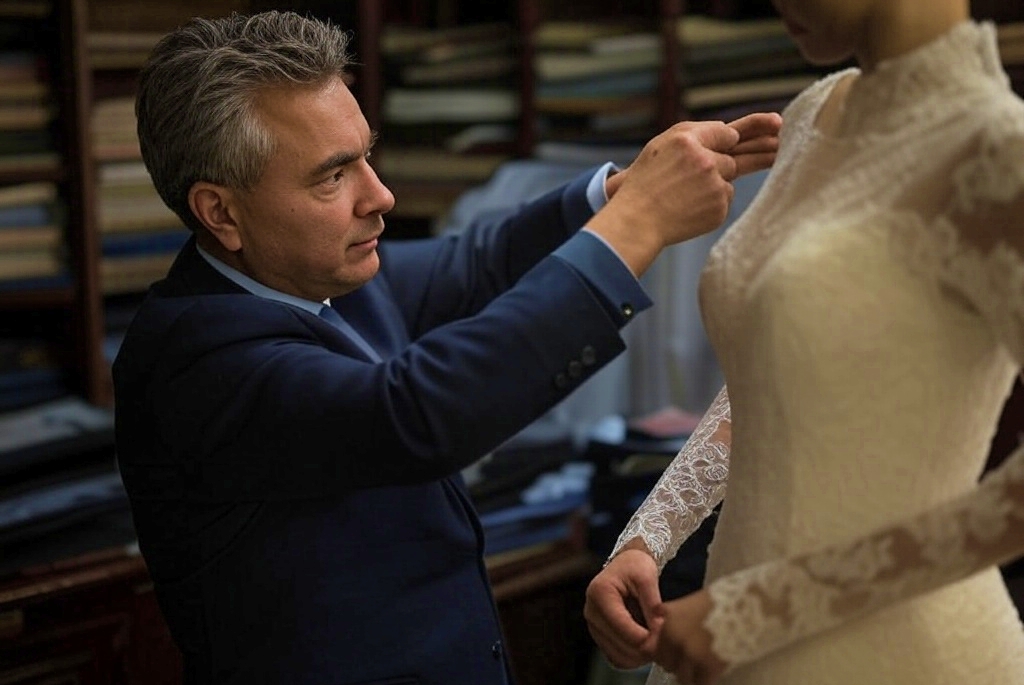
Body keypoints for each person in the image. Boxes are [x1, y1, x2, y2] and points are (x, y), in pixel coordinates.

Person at [110, 10, 781, 685]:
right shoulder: (192, 361)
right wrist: (638, 224)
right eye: (332, 176)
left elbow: (477, 263)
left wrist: (618, 191)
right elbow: (417, 412)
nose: (381, 196)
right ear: (220, 212)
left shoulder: (321, 272)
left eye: (366, 155)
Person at [584, 0, 1024, 683]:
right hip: (732, 632)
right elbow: (778, 380)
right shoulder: (817, 111)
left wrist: (768, 608)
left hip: (902, 653)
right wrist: (648, 537)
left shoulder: (998, 150)